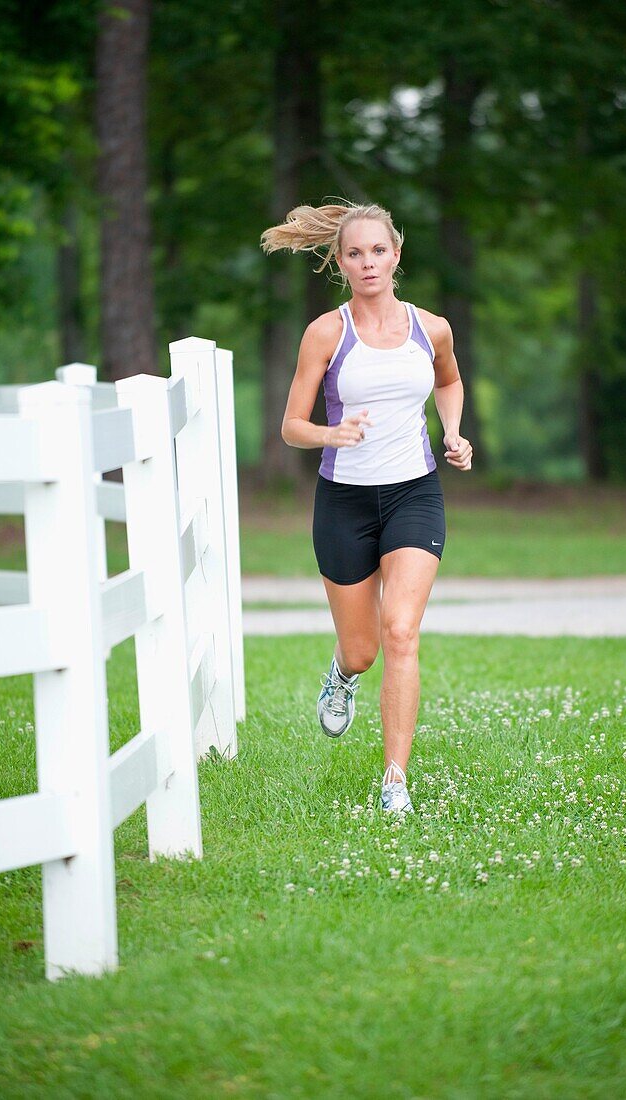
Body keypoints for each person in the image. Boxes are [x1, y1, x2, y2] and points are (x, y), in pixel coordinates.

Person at [259, 200, 473, 814]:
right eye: (355, 253)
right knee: (363, 648)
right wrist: (332, 434)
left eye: (378, 250)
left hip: (415, 493)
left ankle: (395, 784)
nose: (368, 262)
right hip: (344, 503)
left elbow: (449, 381)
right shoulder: (326, 333)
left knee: (401, 632)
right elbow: (291, 426)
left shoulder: (432, 328)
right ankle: (343, 675)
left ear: (396, 255)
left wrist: (452, 433)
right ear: (340, 261)